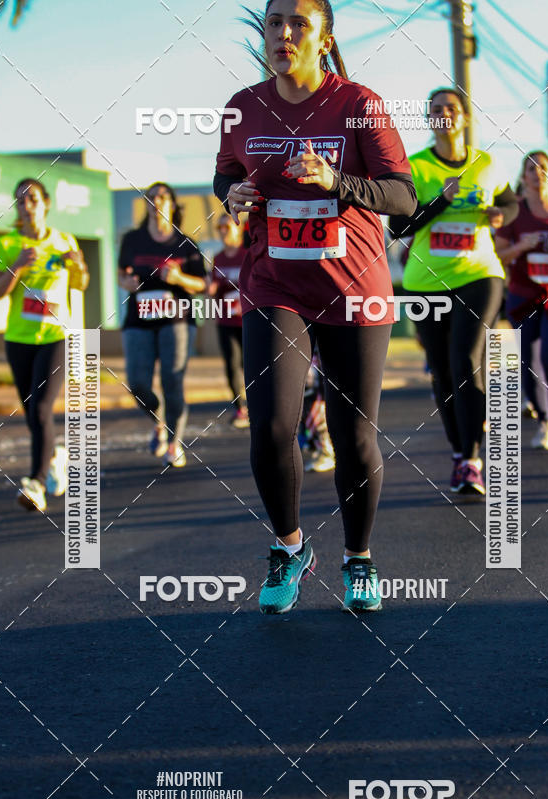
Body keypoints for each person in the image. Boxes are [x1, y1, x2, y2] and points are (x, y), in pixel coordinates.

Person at [214, 0, 416, 614]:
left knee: (354, 436)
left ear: (325, 37)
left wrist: (337, 182)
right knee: (274, 427)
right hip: (274, 283)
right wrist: (234, 194)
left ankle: (359, 558)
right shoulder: (242, 106)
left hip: (353, 284)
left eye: (300, 23)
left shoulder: (360, 105)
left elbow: (403, 195)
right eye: (275, 22)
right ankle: (289, 547)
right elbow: (225, 172)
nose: (284, 33)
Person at [388, 87, 518, 496]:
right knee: (442, 372)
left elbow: (511, 204)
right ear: (430, 119)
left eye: (452, 108)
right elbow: (399, 228)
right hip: (425, 283)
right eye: (436, 110)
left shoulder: (487, 164)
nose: (444, 114)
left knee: (465, 359)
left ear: (464, 117)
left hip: (480, 274)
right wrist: (440, 203)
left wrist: (501, 214)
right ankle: (461, 455)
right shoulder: (416, 167)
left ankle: (474, 458)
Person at [0, 178, 89, 512]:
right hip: (19, 338)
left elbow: (81, 283)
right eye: (20, 201)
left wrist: (78, 266)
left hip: (55, 337)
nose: (27, 205)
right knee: (32, 415)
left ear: (46, 203)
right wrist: (17, 266)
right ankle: (55, 457)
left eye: (32, 198)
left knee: (42, 408)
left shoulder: (63, 241)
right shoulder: (7, 245)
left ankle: (35, 483)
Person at [495, 152, 548, 448]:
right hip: (524, 294)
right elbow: (500, 254)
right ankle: (545, 421)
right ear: (523, 177)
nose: (537, 173)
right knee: (529, 363)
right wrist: (521, 246)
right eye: (530, 169)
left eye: (542, 168)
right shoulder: (514, 213)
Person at [118, 182, 207, 467]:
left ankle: (174, 442)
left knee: (172, 380)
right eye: (151, 198)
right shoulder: (132, 239)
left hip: (176, 319)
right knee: (137, 383)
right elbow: (122, 275)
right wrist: (127, 283)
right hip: (139, 318)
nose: (156, 202)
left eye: (162, 197)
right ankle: (159, 421)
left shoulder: (186, 243)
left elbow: (204, 284)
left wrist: (180, 278)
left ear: (171, 203)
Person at [208, 214, 249, 427]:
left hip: (247, 321)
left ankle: (254, 404)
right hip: (225, 320)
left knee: (248, 364)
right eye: (220, 227)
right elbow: (213, 286)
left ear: (238, 229)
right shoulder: (218, 258)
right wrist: (212, 289)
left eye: (227, 226)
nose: (223, 231)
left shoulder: (247, 255)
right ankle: (240, 409)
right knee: (231, 365)